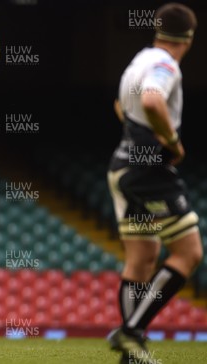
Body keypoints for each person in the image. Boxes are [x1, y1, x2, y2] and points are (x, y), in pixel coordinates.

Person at [106, 3, 202, 363]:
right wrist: (172, 142)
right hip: (148, 170)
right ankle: (132, 331)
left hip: (122, 165)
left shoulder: (138, 61)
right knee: (189, 253)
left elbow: (121, 106)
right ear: (189, 38)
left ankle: (132, 354)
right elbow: (151, 99)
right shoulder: (165, 65)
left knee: (142, 259)